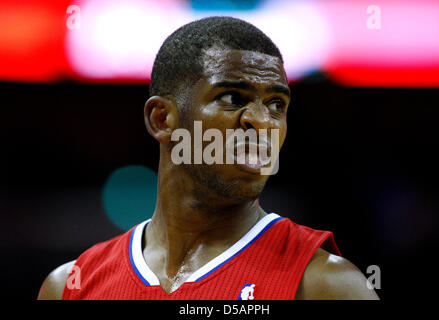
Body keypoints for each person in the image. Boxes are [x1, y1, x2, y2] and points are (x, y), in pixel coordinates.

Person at [38, 16, 379, 300]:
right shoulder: (70, 286)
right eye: (232, 97)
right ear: (162, 119)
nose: (262, 121)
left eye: (277, 104)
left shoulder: (328, 285)